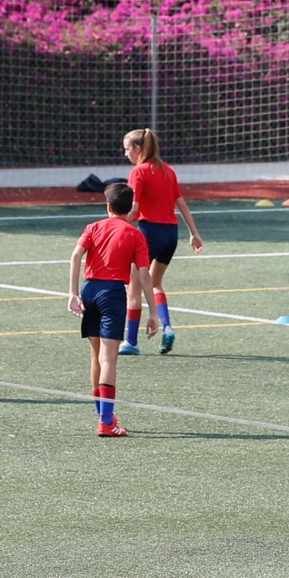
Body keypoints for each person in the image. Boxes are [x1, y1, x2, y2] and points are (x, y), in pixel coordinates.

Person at [68, 180, 152, 436]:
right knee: (108, 358)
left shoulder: (93, 227)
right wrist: (154, 311)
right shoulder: (136, 234)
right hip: (113, 293)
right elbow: (144, 275)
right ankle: (106, 422)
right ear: (131, 210)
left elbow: (75, 256)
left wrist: (72, 293)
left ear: (108, 206)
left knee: (96, 356)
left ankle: (104, 415)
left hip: (89, 289)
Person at [122, 127, 202, 356]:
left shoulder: (139, 172)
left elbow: (134, 207)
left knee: (133, 287)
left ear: (138, 148)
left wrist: (116, 225)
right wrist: (194, 234)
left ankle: (131, 342)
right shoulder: (167, 170)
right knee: (155, 283)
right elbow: (182, 205)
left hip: (149, 233)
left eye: (128, 149)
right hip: (171, 234)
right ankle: (167, 327)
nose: (126, 154)